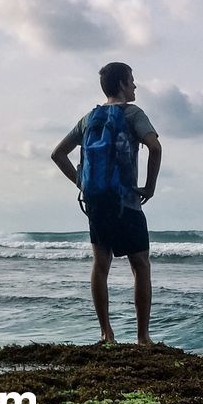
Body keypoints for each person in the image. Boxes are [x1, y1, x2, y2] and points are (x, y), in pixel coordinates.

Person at [51, 62, 161, 346]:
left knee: (101, 264)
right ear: (123, 83)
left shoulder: (89, 118)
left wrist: (81, 181)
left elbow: (58, 154)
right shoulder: (133, 113)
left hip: (96, 201)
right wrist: (149, 186)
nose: (135, 86)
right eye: (132, 81)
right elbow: (155, 147)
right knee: (141, 266)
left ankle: (106, 334)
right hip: (126, 201)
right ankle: (142, 337)